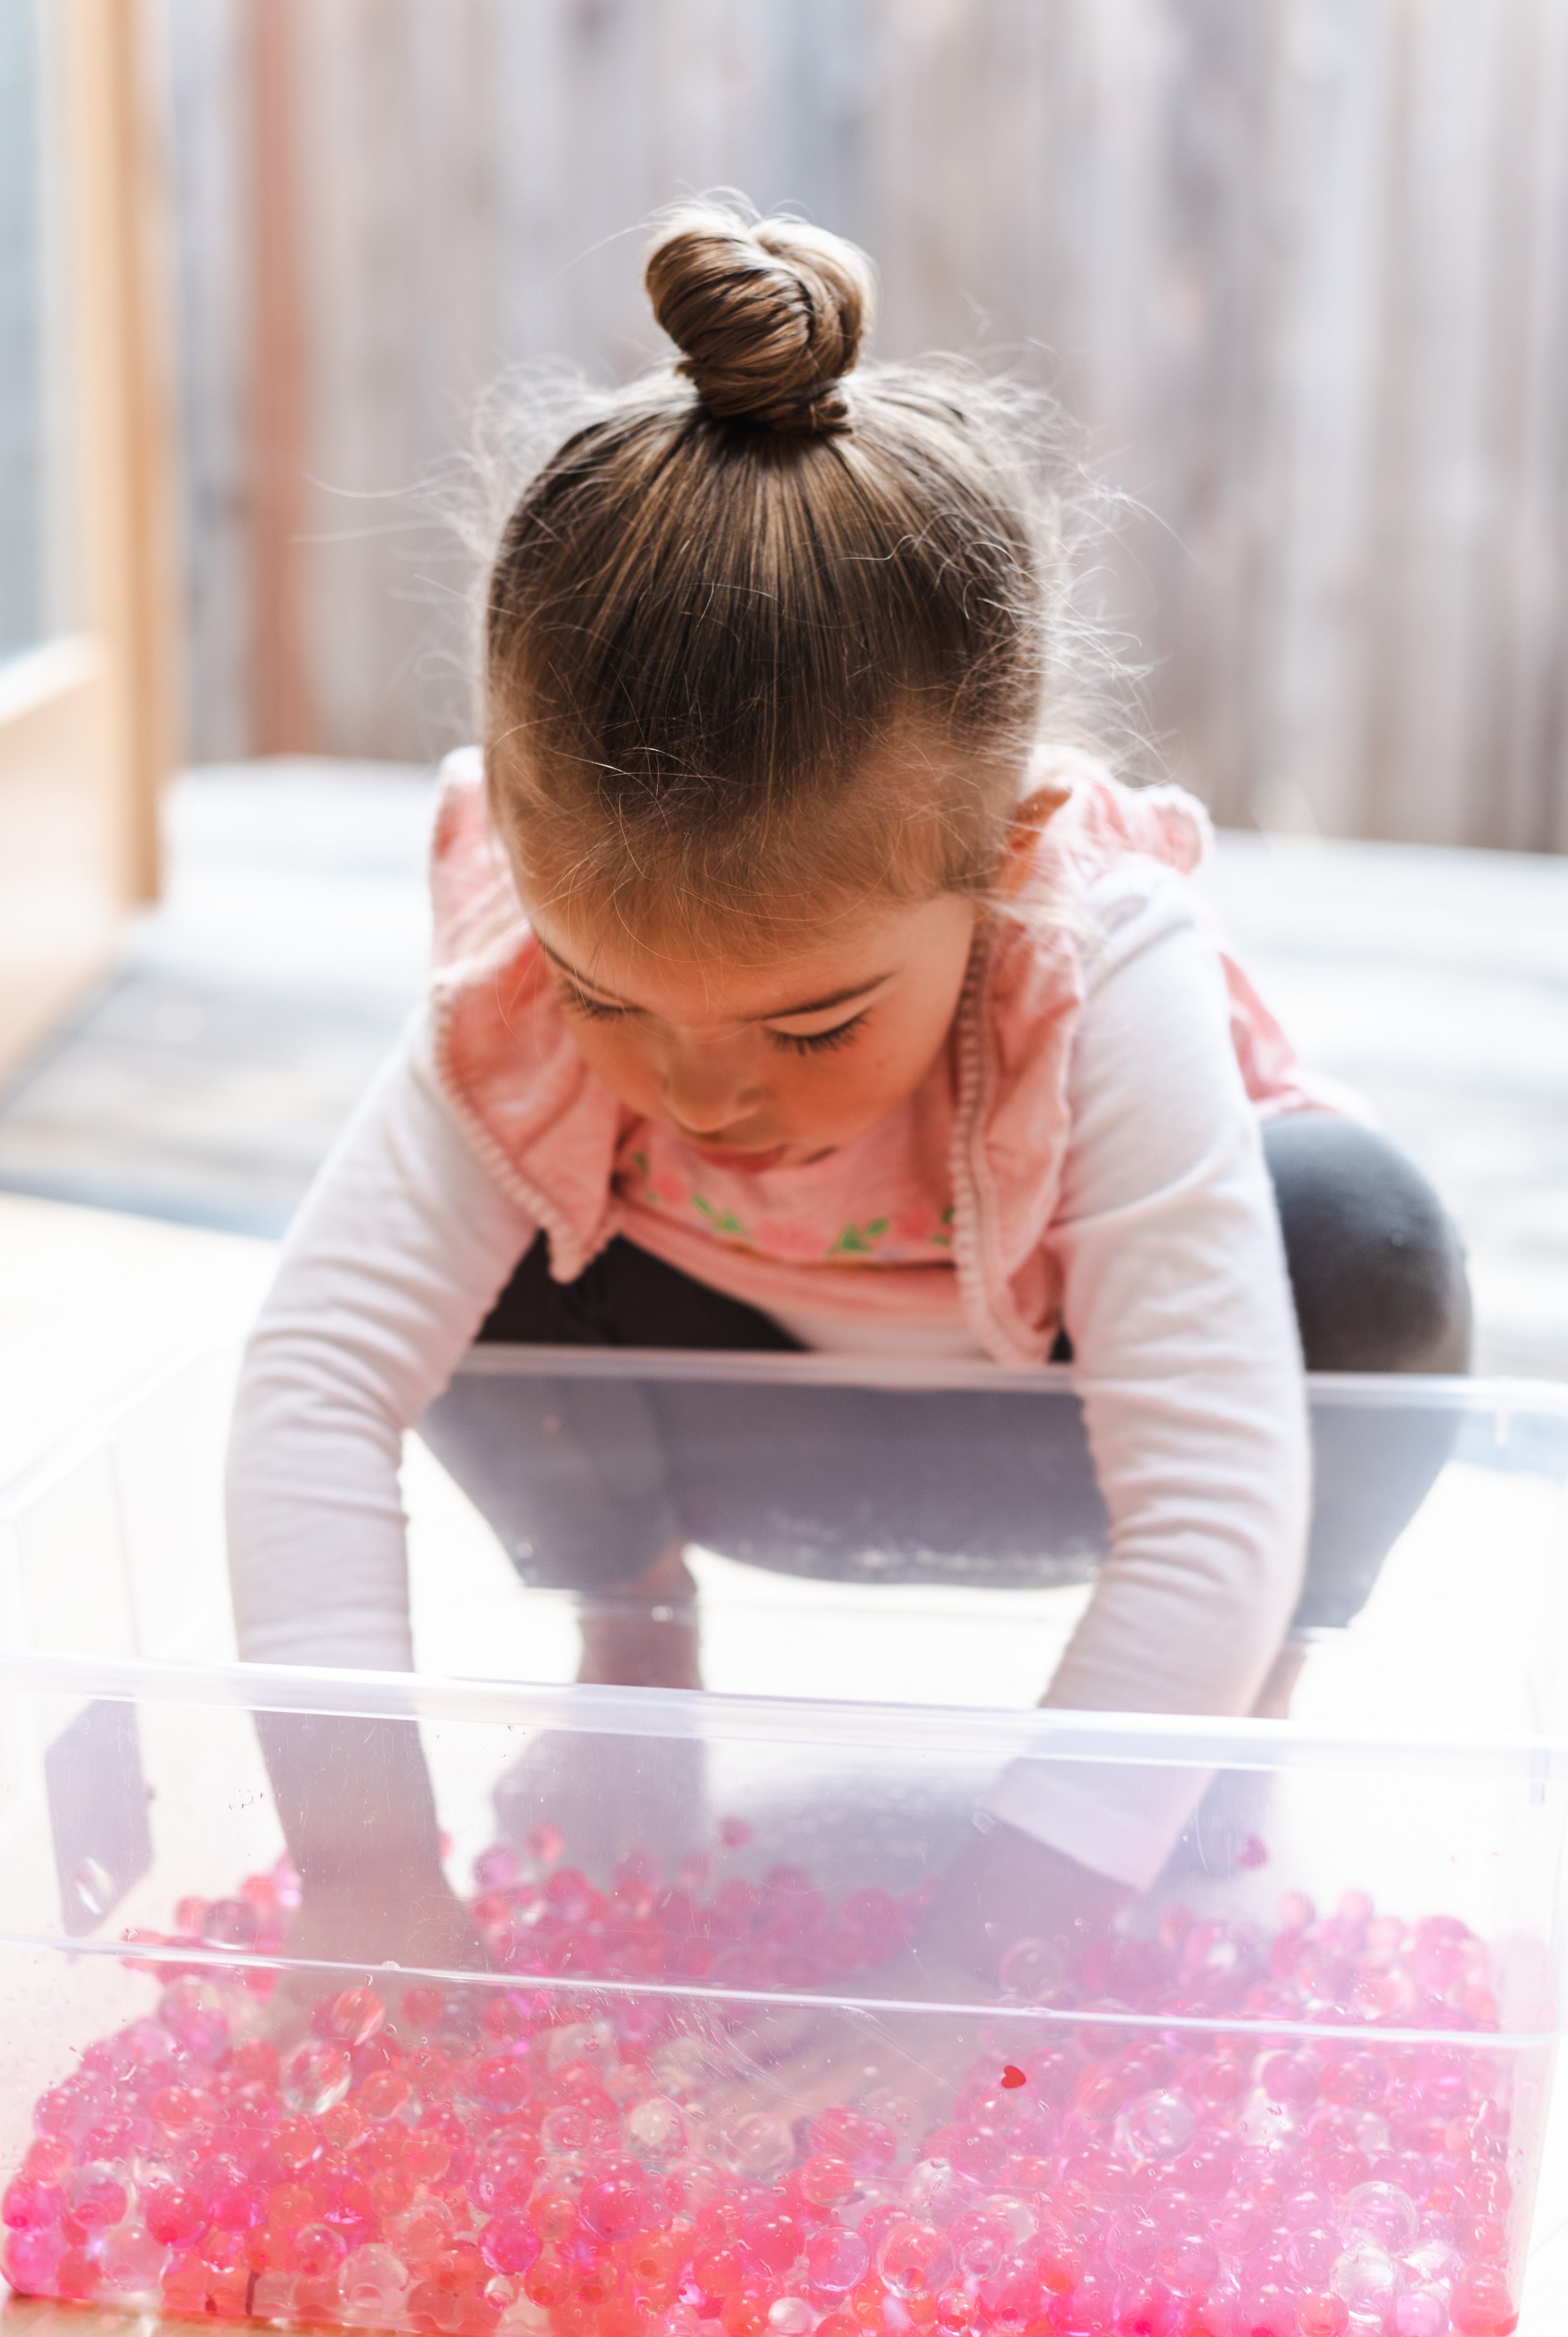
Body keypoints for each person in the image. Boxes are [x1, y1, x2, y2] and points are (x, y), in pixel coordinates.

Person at [226, 201, 1471, 1987]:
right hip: (736, 1423)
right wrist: (358, 1876)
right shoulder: (516, 983)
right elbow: (314, 1379)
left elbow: (1209, 1499)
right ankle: (629, 1637)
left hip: (1064, 1440)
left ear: (1007, 854)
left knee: (1359, 1236)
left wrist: (980, 1965)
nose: (698, 1085)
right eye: (614, 995)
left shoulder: (1087, 958)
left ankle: (1217, 1731)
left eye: (808, 1024)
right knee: (468, 1197)